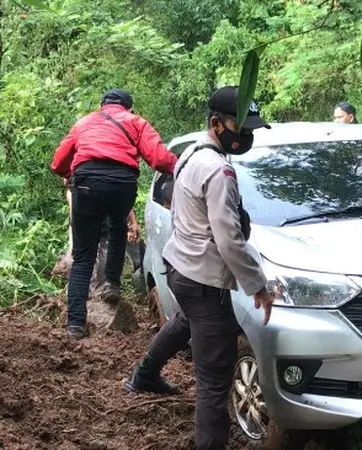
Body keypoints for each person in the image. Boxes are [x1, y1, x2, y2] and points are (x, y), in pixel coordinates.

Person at [124, 86, 280, 450]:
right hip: (204, 278)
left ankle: (144, 375)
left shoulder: (191, 153)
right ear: (216, 123)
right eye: (240, 128)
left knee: (183, 321)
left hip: (181, 268)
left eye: (251, 128)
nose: (247, 136)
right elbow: (228, 238)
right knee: (213, 379)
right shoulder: (218, 171)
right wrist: (257, 284)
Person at [50, 89, 177, 340]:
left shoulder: (84, 122)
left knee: (84, 254)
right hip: (122, 184)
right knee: (118, 227)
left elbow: (58, 164)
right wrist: (184, 166)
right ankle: (111, 285)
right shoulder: (136, 122)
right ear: (129, 108)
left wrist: (69, 173)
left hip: (86, 185)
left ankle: (75, 324)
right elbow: (160, 159)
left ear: (101, 106)